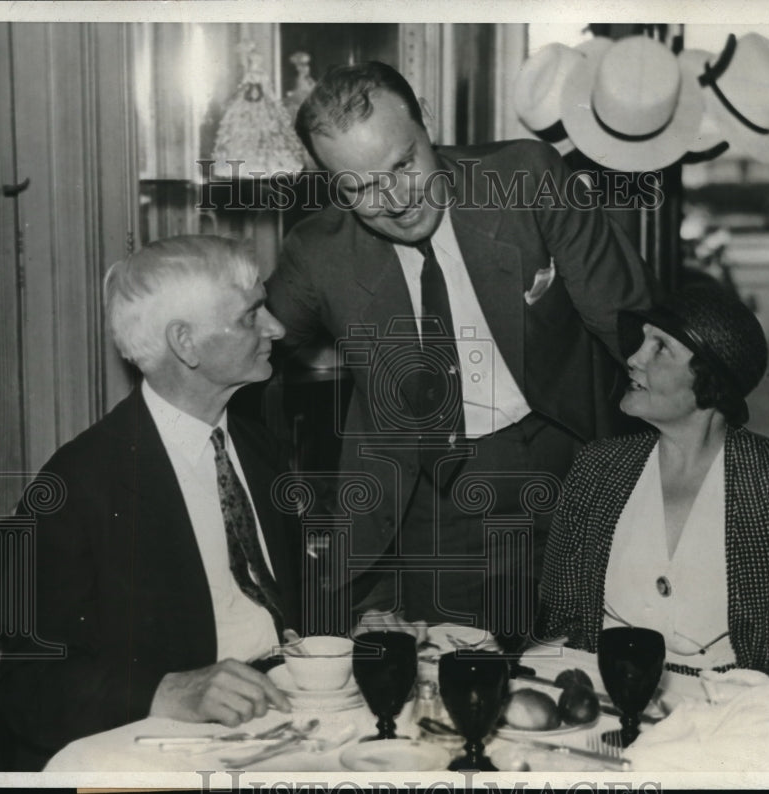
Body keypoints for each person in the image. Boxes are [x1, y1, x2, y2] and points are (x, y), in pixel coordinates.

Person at [267, 61, 655, 636]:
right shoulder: (317, 254)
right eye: (360, 187)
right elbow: (246, 348)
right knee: (455, 683)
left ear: (428, 124)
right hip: (434, 496)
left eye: (403, 165)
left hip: (570, 462)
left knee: (591, 665)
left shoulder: (528, 179)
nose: (395, 200)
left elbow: (636, 335)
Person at [0, 236, 301, 768]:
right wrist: (165, 692)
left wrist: (359, 623)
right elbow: (30, 684)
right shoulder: (77, 484)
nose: (276, 328)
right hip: (176, 751)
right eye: (253, 314)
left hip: (288, 717)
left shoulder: (258, 445)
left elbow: (292, 595)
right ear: (186, 343)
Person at [538, 284, 769, 682]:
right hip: (605, 702)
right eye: (641, 342)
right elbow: (560, 620)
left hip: (731, 719)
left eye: (660, 348)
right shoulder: (597, 469)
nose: (633, 358)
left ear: (709, 379)